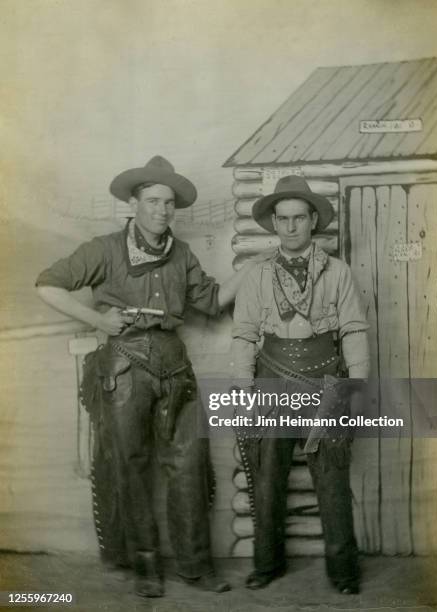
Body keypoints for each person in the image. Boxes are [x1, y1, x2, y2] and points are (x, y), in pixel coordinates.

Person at [36, 156, 250, 598]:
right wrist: (96, 320)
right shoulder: (104, 249)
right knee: (130, 468)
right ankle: (146, 567)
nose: (162, 211)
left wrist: (253, 268)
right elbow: (47, 284)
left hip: (175, 367)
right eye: (153, 201)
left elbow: (211, 302)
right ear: (134, 203)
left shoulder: (183, 254)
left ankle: (195, 568)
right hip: (123, 367)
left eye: (169, 203)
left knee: (189, 467)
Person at [231, 175, 370, 594]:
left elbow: (354, 331)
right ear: (274, 223)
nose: (290, 227)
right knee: (268, 476)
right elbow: (243, 335)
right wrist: (241, 392)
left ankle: (344, 573)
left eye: (299, 218)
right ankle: (267, 564)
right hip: (271, 381)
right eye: (282, 219)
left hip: (326, 380)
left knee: (331, 480)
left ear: (313, 220)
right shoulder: (256, 274)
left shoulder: (338, 271)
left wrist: (357, 388)